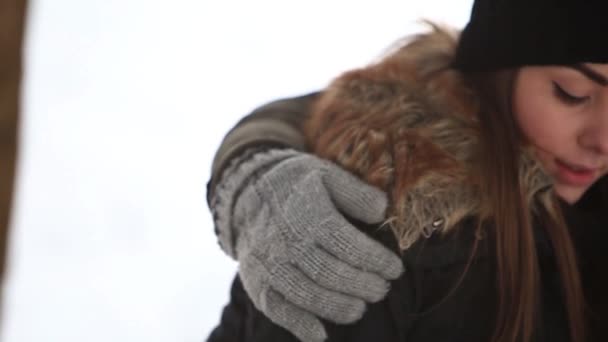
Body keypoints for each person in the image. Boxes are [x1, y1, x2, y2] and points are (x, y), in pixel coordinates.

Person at [206, 0, 608, 341]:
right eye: (573, 94)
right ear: (498, 69)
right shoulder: (376, 229)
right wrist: (253, 171)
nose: (603, 141)